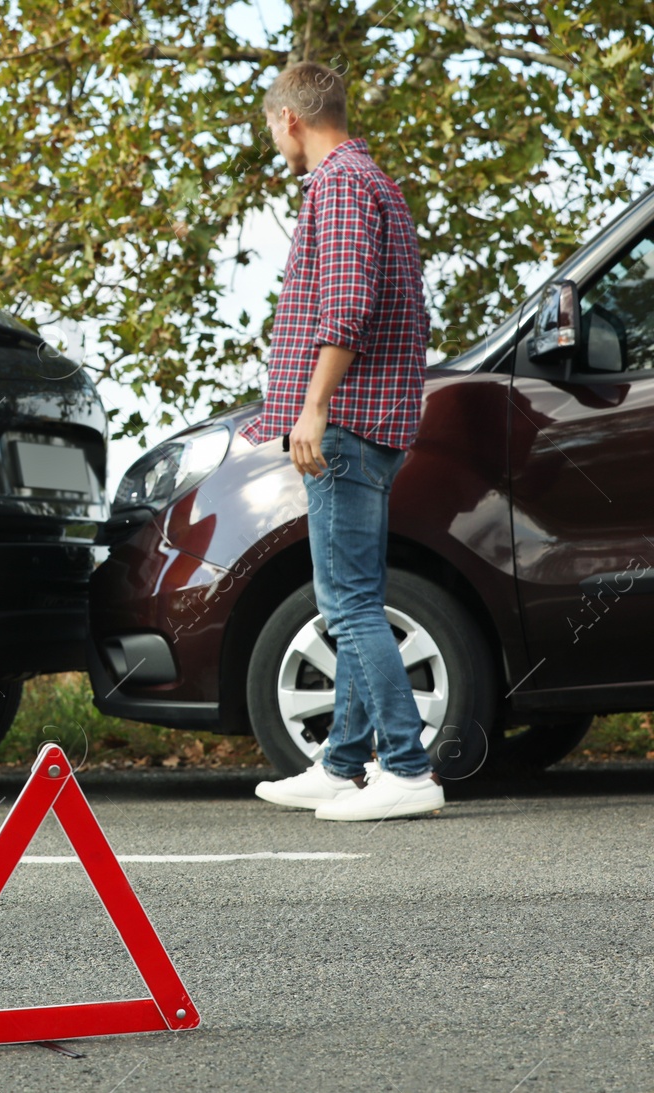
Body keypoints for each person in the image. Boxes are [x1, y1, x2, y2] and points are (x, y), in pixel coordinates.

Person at [241, 63, 444, 821]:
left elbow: (348, 304)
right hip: (367, 421)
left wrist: (314, 407)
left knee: (349, 601)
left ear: (291, 118)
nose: (275, 142)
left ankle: (407, 766)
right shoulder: (370, 181)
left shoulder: (340, 183)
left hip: (350, 420)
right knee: (356, 596)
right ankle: (342, 761)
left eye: (272, 128)